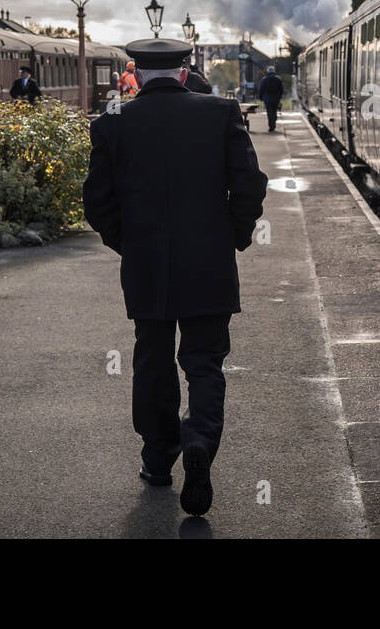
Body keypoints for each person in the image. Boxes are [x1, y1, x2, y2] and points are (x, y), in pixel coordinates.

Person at [82, 38, 267, 516]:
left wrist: (129, 242)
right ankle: (200, 439)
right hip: (208, 261)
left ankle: (159, 459)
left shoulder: (111, 123)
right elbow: (249, 183)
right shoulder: (220, 112)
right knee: (205, 362)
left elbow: (97, 202)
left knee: (152, 359)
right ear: (185, 72)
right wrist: (235, 235)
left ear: (136, 74)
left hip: (145, 263)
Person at [257, 65, 284, 132]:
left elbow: (261, 89)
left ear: (267, 72)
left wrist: (260, 97)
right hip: (276, 99)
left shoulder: (264, 79)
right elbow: (281, 90)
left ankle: (271, 125)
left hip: (267, 99)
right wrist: (279, 97)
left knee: (269, 112)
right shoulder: (278, 79)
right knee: (274, 111)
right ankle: (274, 121)